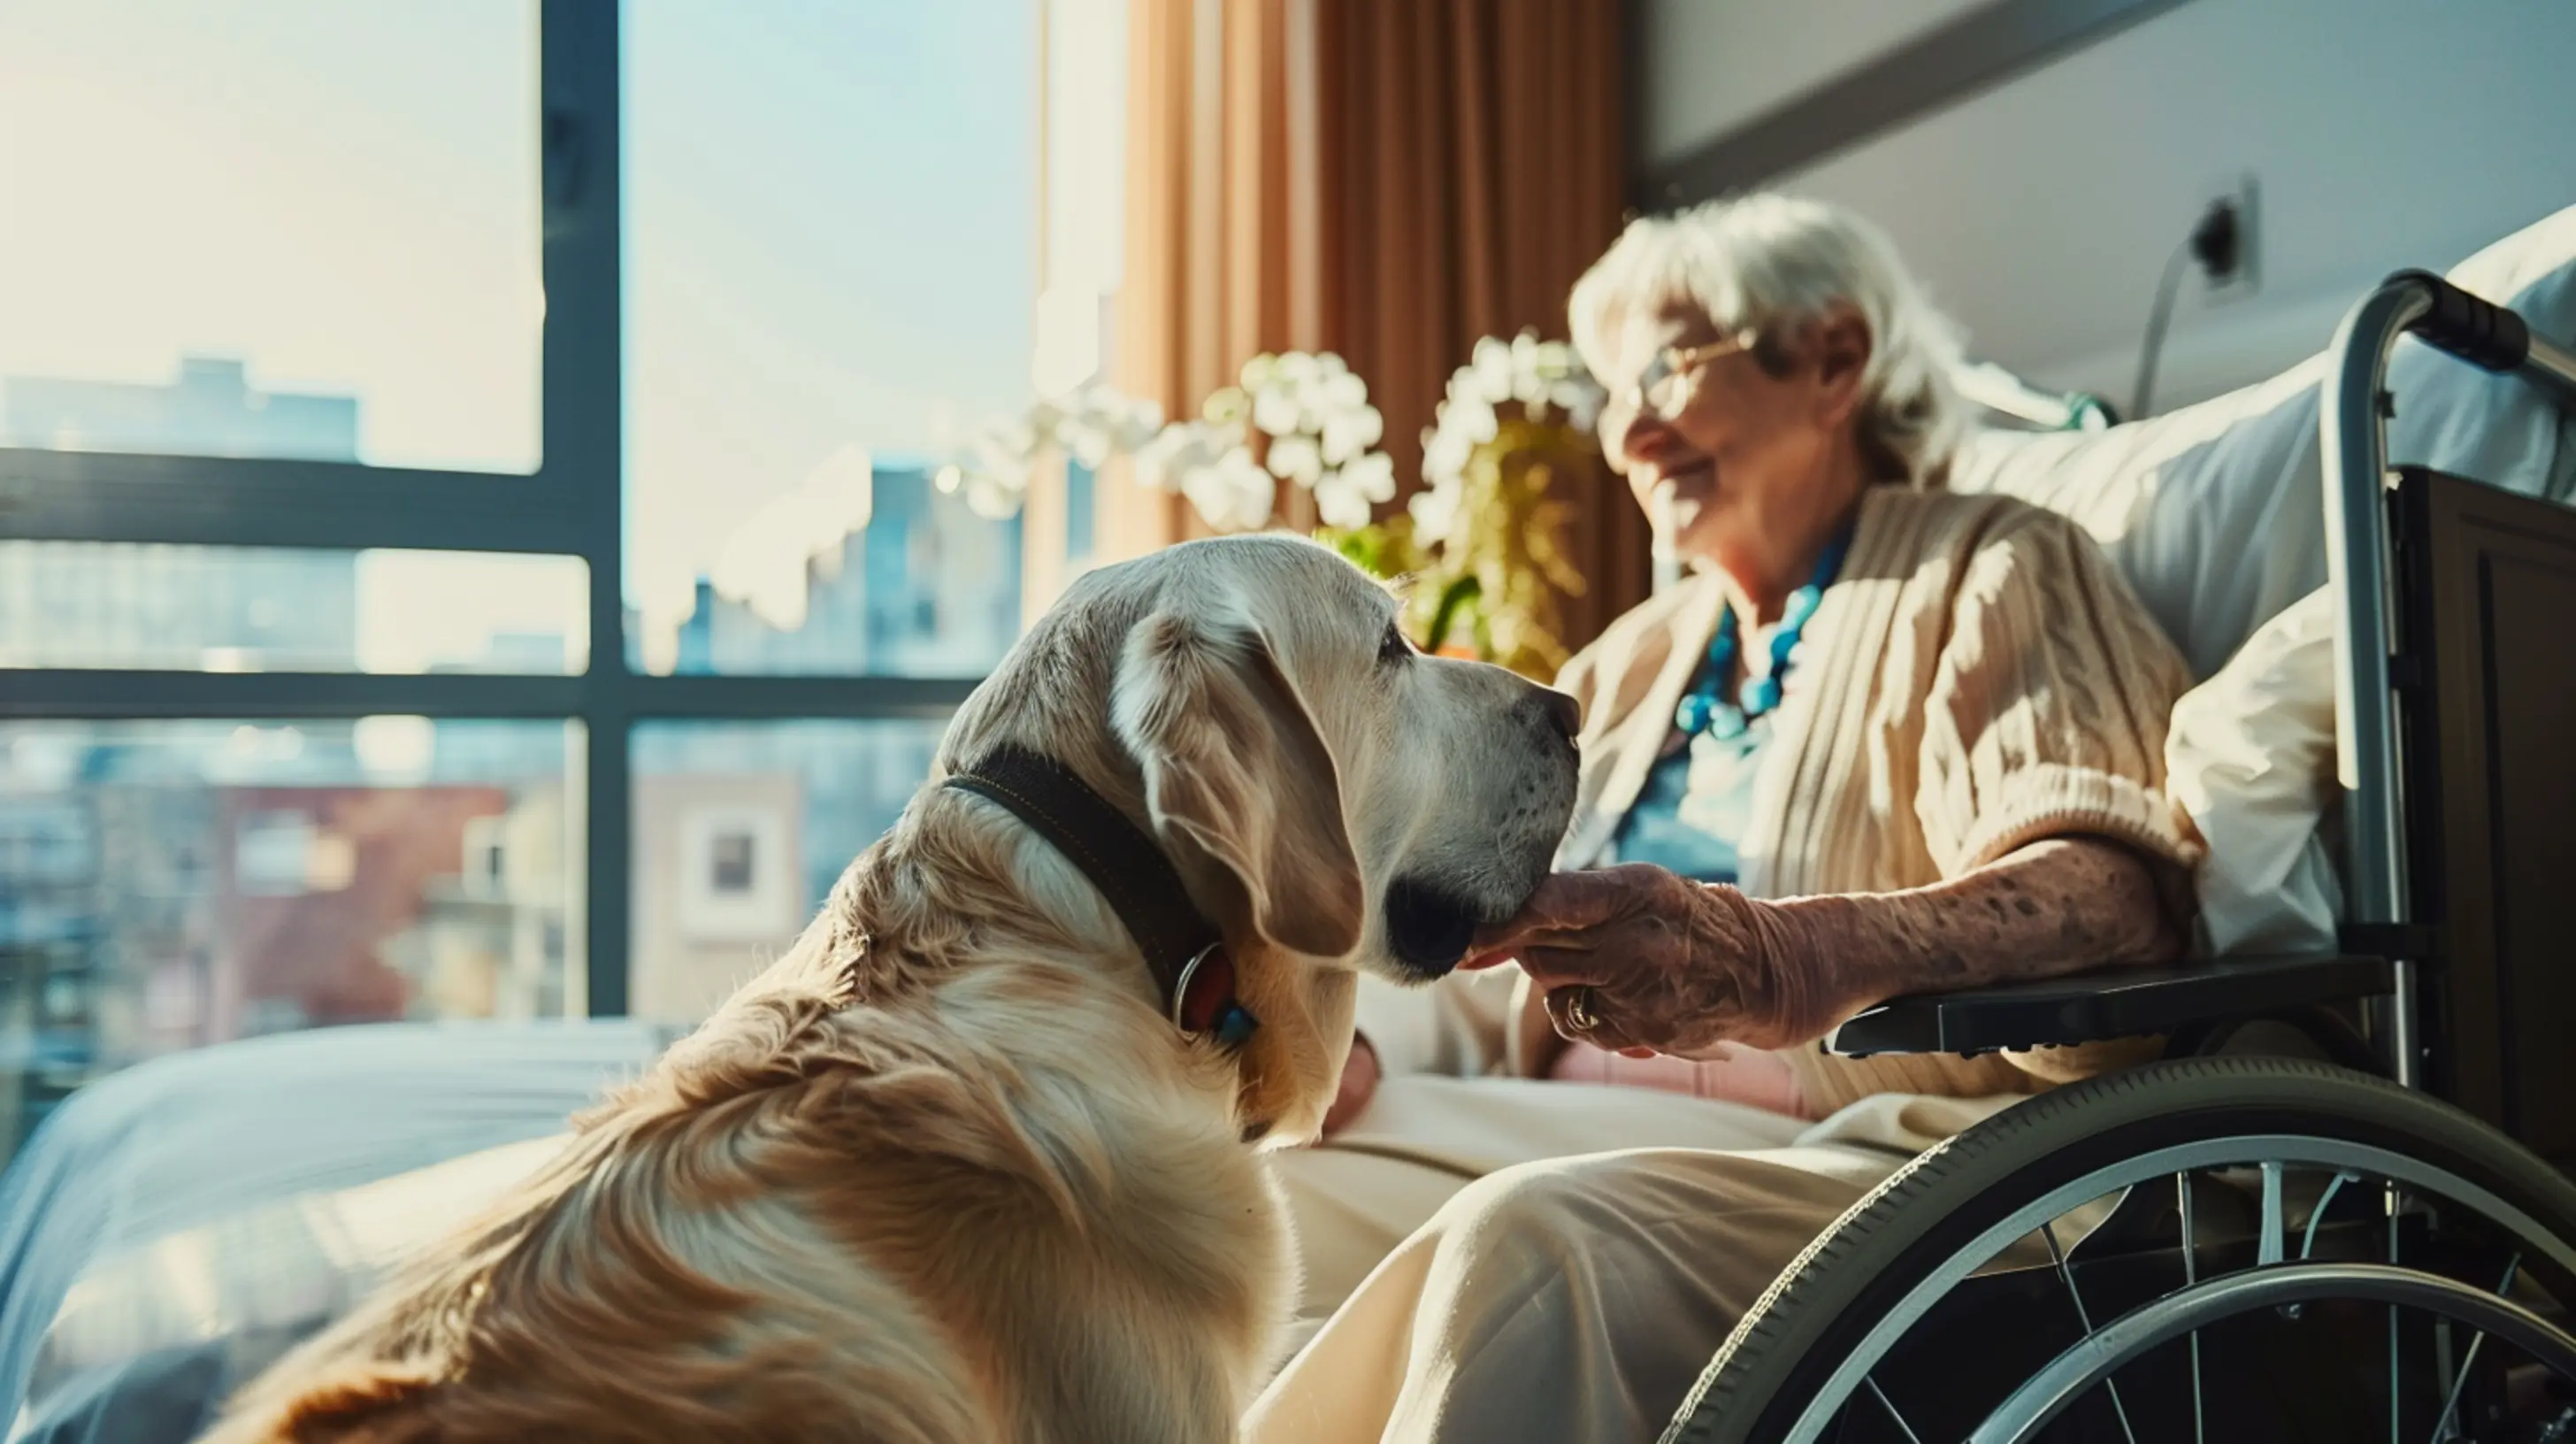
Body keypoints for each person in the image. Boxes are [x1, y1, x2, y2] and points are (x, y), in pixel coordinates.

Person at [1246, 193, 2204, 1442]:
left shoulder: (1995, 568)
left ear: (1831, 361)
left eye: (1664, 369)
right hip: (1578, 1124)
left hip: (1897, 1159)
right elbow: (1487, 963)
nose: (1630, 431)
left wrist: (1798, 956)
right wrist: (1362, 1041)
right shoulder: (1636, 662)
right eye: (1611, 392)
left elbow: (2114, 898)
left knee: (1532, 1249)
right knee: (1238, 1204)